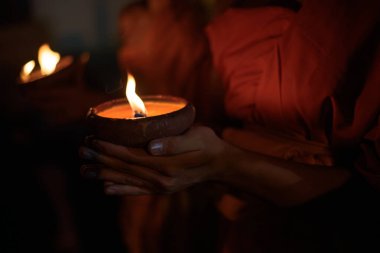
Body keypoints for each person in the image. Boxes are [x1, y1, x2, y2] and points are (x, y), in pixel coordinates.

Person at [80, 0, 380, 252]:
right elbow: (211, 108)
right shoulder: (218, 16)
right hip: (237, 221)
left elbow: (362, 204)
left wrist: (226, 164)